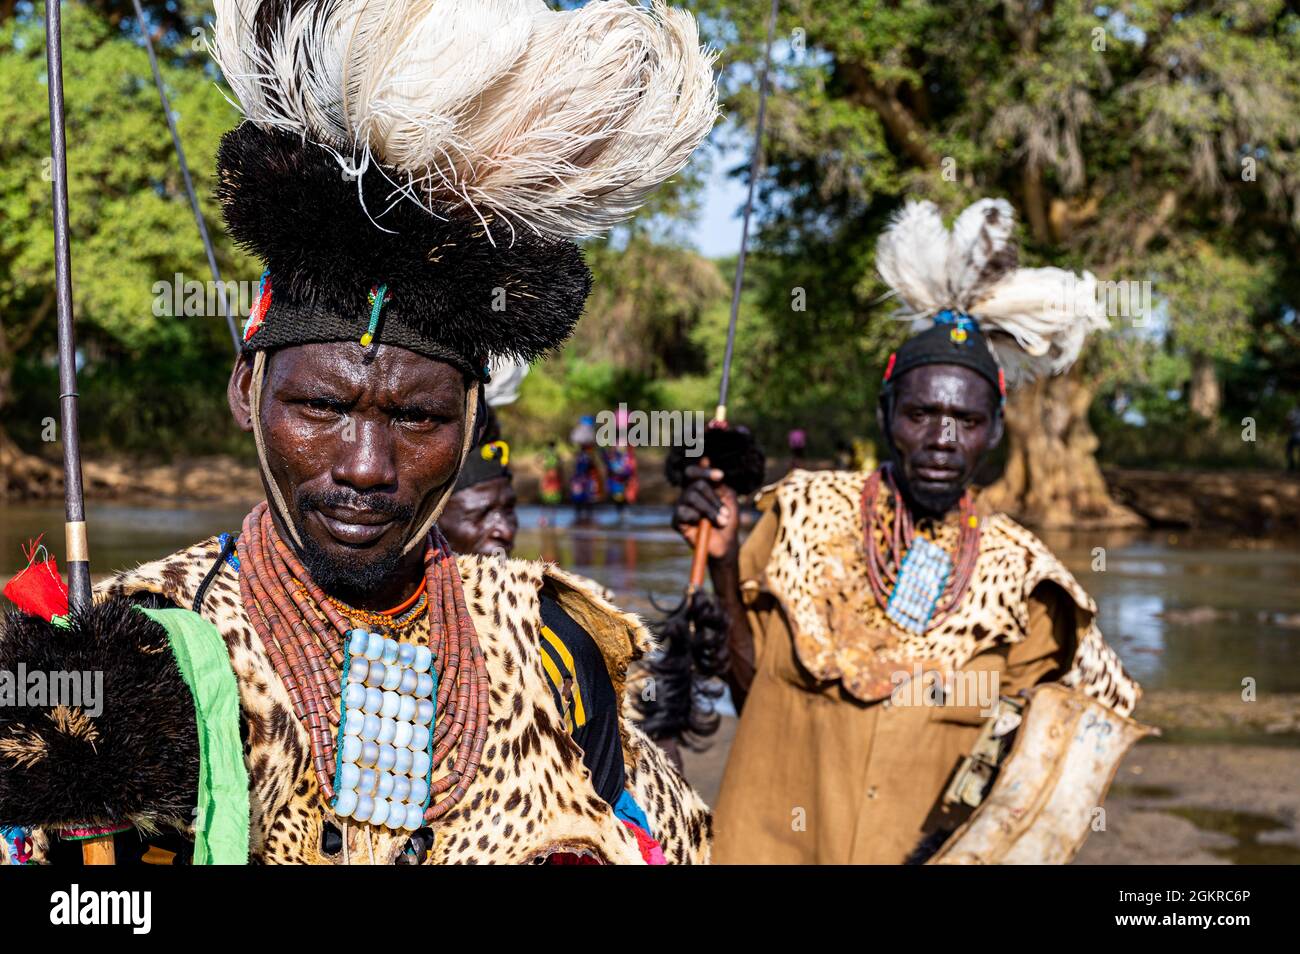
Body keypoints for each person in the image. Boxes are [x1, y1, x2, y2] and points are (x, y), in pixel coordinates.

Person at [0, 0, 718, 866]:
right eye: (322, 409)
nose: (367, 468)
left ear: (472, 424)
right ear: (246, 391)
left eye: (417, 418)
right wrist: (82, 807)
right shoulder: (133, 642)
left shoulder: (550, 644)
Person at [671, 198, 1140, 864]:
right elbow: (751, 687)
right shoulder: (800, 518)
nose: (943, 439)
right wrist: (721, 563)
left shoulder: (1025, 583)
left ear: (996, 429)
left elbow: (1034, 777)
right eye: (922, 413)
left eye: (966, 420)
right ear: (887, 411)